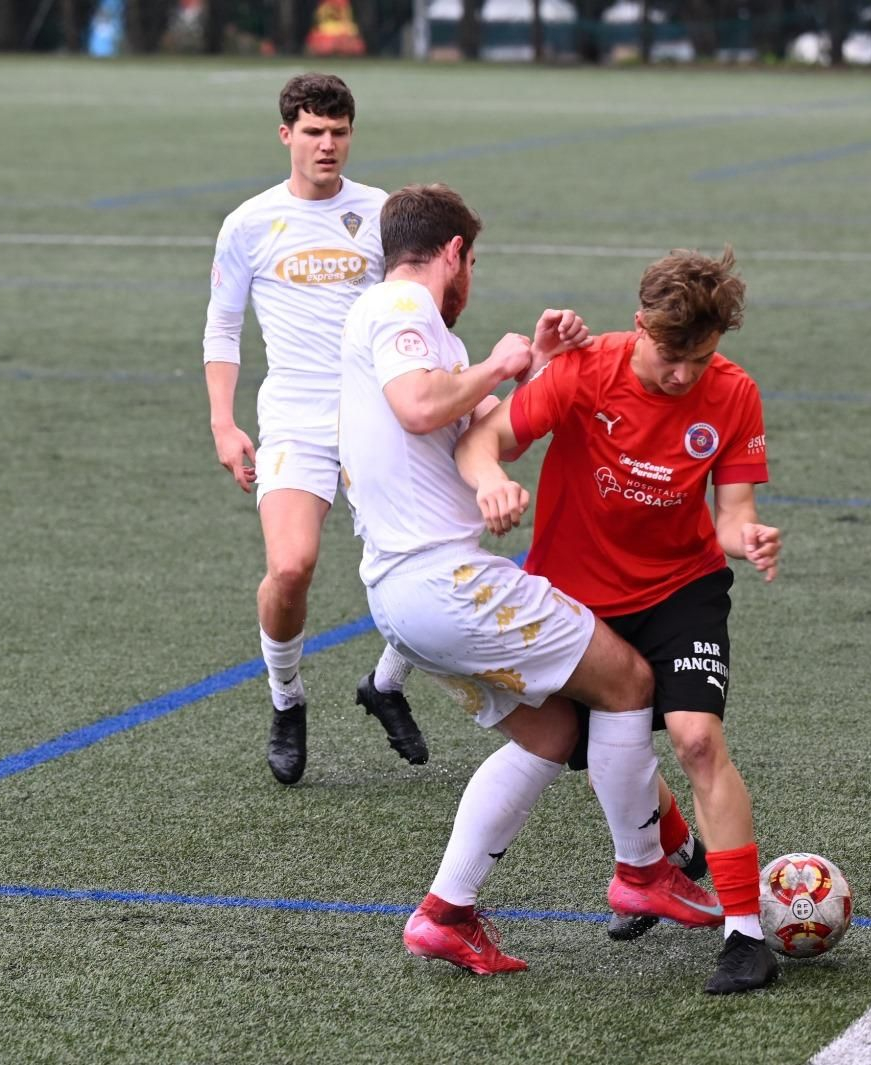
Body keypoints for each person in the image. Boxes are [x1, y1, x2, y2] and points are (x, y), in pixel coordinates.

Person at [336, 183, 724, 978]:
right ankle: (643, 867)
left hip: (404, 600)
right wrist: (501, 360)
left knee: (552, 735)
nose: (470, 278)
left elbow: (465, 440)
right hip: (443, 579)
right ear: (453, 255)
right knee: (628, 679)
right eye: (472, 262)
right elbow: (418, 408)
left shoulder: (405, 329)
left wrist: (536, 371)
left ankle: (446, 909)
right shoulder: (401, 311)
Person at [456, 248, 782, 994]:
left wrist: (749, 536)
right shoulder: (582, 370)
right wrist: (494, 479)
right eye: (671, 356)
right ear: (639, 326)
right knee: (594, 745)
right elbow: (485, 438)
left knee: (698, 739)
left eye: (699, 358)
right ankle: (662, 857)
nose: (683, 375)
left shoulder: (733, 394)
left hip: (681, 587)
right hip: (575, 601)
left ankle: (744, 932)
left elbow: (732, 516)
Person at [203, 73, 429, 786]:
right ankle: (286, 699)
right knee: (292, 566)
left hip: (378, 411)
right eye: (312, 131)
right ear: (286, 136)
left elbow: (415, 306)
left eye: (338, 131)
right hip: (295, 416)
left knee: (429, 565)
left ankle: (386, 682)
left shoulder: (383, 213)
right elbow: (223, 326)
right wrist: (223, 421)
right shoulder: (248, 223)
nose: (327, 143)